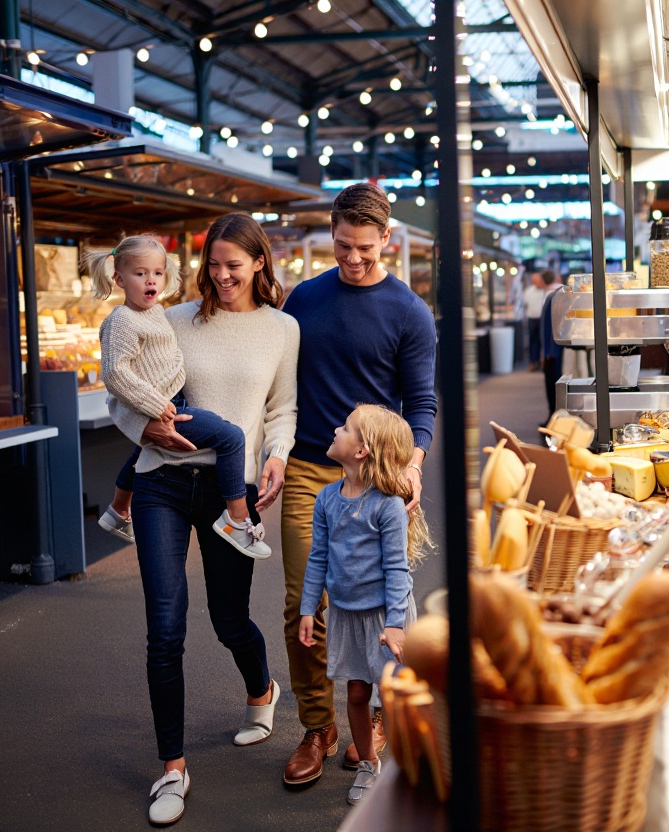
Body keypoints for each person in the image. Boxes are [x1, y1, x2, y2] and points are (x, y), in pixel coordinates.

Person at [107, 213, 299, 825]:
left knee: (229, 618)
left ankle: (260, 690)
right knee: (164, 629)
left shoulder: (283, 329)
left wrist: (276, 457)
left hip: (229, 488)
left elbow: (283, 406)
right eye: (211, 266)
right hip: (162, 481)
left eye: (232, 266)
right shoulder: (172, 318)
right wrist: (145, 426)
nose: (219, 277)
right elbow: (124, 389)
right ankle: (172, 769)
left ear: (258, 263)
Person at [279, 182, 438, 785]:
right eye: (343, 246)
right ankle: (318, 725)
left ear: (387, 241)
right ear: (331, 234)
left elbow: (421, 402)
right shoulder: (304, 300)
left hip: (376, 479)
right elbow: (281, 387)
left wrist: (413, 466)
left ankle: (369, 717)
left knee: (375, 603)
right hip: (308, 468)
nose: (352, 259)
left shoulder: (409, 311)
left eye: (365, 249)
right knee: (305, 601)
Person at [88, 234, 272, 560]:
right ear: (119, 278)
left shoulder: (157, 312)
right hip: (169, 406)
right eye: (140, 273)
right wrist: (157, 408)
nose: (151, 280)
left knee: (143, 448)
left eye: (157, 273)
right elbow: (115, 375)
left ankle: (117, 510)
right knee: (230, 437)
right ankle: (237, 519)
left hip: (174, 400)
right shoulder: (121, 320)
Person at [298, 404, 432, 805]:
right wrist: (309, 607)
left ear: (361, 451)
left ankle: (404, 767)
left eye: (346, 427)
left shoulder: (386, 505)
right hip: (346, 615)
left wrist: (395, 625)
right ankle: (368, 765)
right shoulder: (326, 500)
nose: (336, 429)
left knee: (391, 697)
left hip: (384, 617)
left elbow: (396, 570)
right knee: (356, 694)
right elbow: (318, 557)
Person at [538, 269, 564, 419]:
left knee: (552, 384)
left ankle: (553, 418)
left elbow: (546, 329)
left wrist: (546, 352)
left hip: (552, 350)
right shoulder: (561, 294)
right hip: (557, 349)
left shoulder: (551, 297)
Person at [522, 269, 547, 371]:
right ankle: (533, 361)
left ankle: (543, 362)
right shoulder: (528, 291)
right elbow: (525, 304)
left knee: (543, 340)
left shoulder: (545, 291)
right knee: (533, 341)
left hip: (542, 318)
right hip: (532, 318)